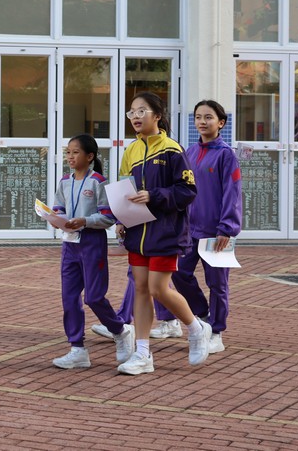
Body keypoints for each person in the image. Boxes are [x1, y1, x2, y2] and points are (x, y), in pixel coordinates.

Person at [115, 91, 209, 375]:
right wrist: (120, 217)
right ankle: (143, 353)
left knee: (158, 289)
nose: (135, 117)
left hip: (166, 232)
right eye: (132, 112)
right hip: (137, 232)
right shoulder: (130, 151)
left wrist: (153, 196)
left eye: (141, 111)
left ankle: (196, 327)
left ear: (157, 115)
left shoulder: (172, 149)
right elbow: (124, 189)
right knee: (141, 289)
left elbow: (187, 190)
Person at [141, 100, 242, 354]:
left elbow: (232, 193)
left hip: (217, 232)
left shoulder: (226, 155)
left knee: (217, 284)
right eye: (198, 117)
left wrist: (227, 228)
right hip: (189, 230)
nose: (202, 122)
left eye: (208, 117)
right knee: (179, 274)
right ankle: (204, 315)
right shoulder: (190, 153)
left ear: (221, 123)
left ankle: (216, 332)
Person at [51, 134, 135, 369]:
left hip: (92, 243)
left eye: (75, 152)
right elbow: (58, 207)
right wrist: (56, 218)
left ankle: (120, 330)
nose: (70, 157)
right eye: (68, 152)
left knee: (94, 297)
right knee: (69, 297)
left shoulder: (98, 182)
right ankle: (77, 348)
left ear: (90, 156)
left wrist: (85, 221)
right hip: (70, 245)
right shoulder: (64, 181)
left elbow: (108, 217)